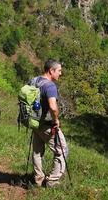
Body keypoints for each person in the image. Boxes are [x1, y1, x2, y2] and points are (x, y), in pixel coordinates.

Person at [31, 59, 68, 188]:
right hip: (47, 125)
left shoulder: (34, 81)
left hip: (34, 122)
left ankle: (38, 179)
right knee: (62, 150)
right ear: (51, 71)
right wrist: (56, 120)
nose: (60, 74)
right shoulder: (50, 86)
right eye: (59, 71)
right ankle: (52, 181)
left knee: (37, 152)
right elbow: (53, 107)